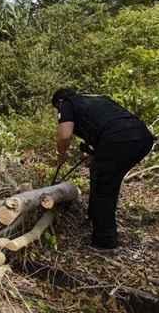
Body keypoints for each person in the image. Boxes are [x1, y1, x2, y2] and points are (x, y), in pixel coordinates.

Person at [52, 88, 155, 250]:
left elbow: (64, 135)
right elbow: (108, 124)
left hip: (119, 140)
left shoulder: (66, 103)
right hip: (142, 138)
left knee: (103, 187)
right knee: (104, 177)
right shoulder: (97, 99)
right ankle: (94, 219)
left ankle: (104, 242)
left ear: (58, 102)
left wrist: (61, 153)